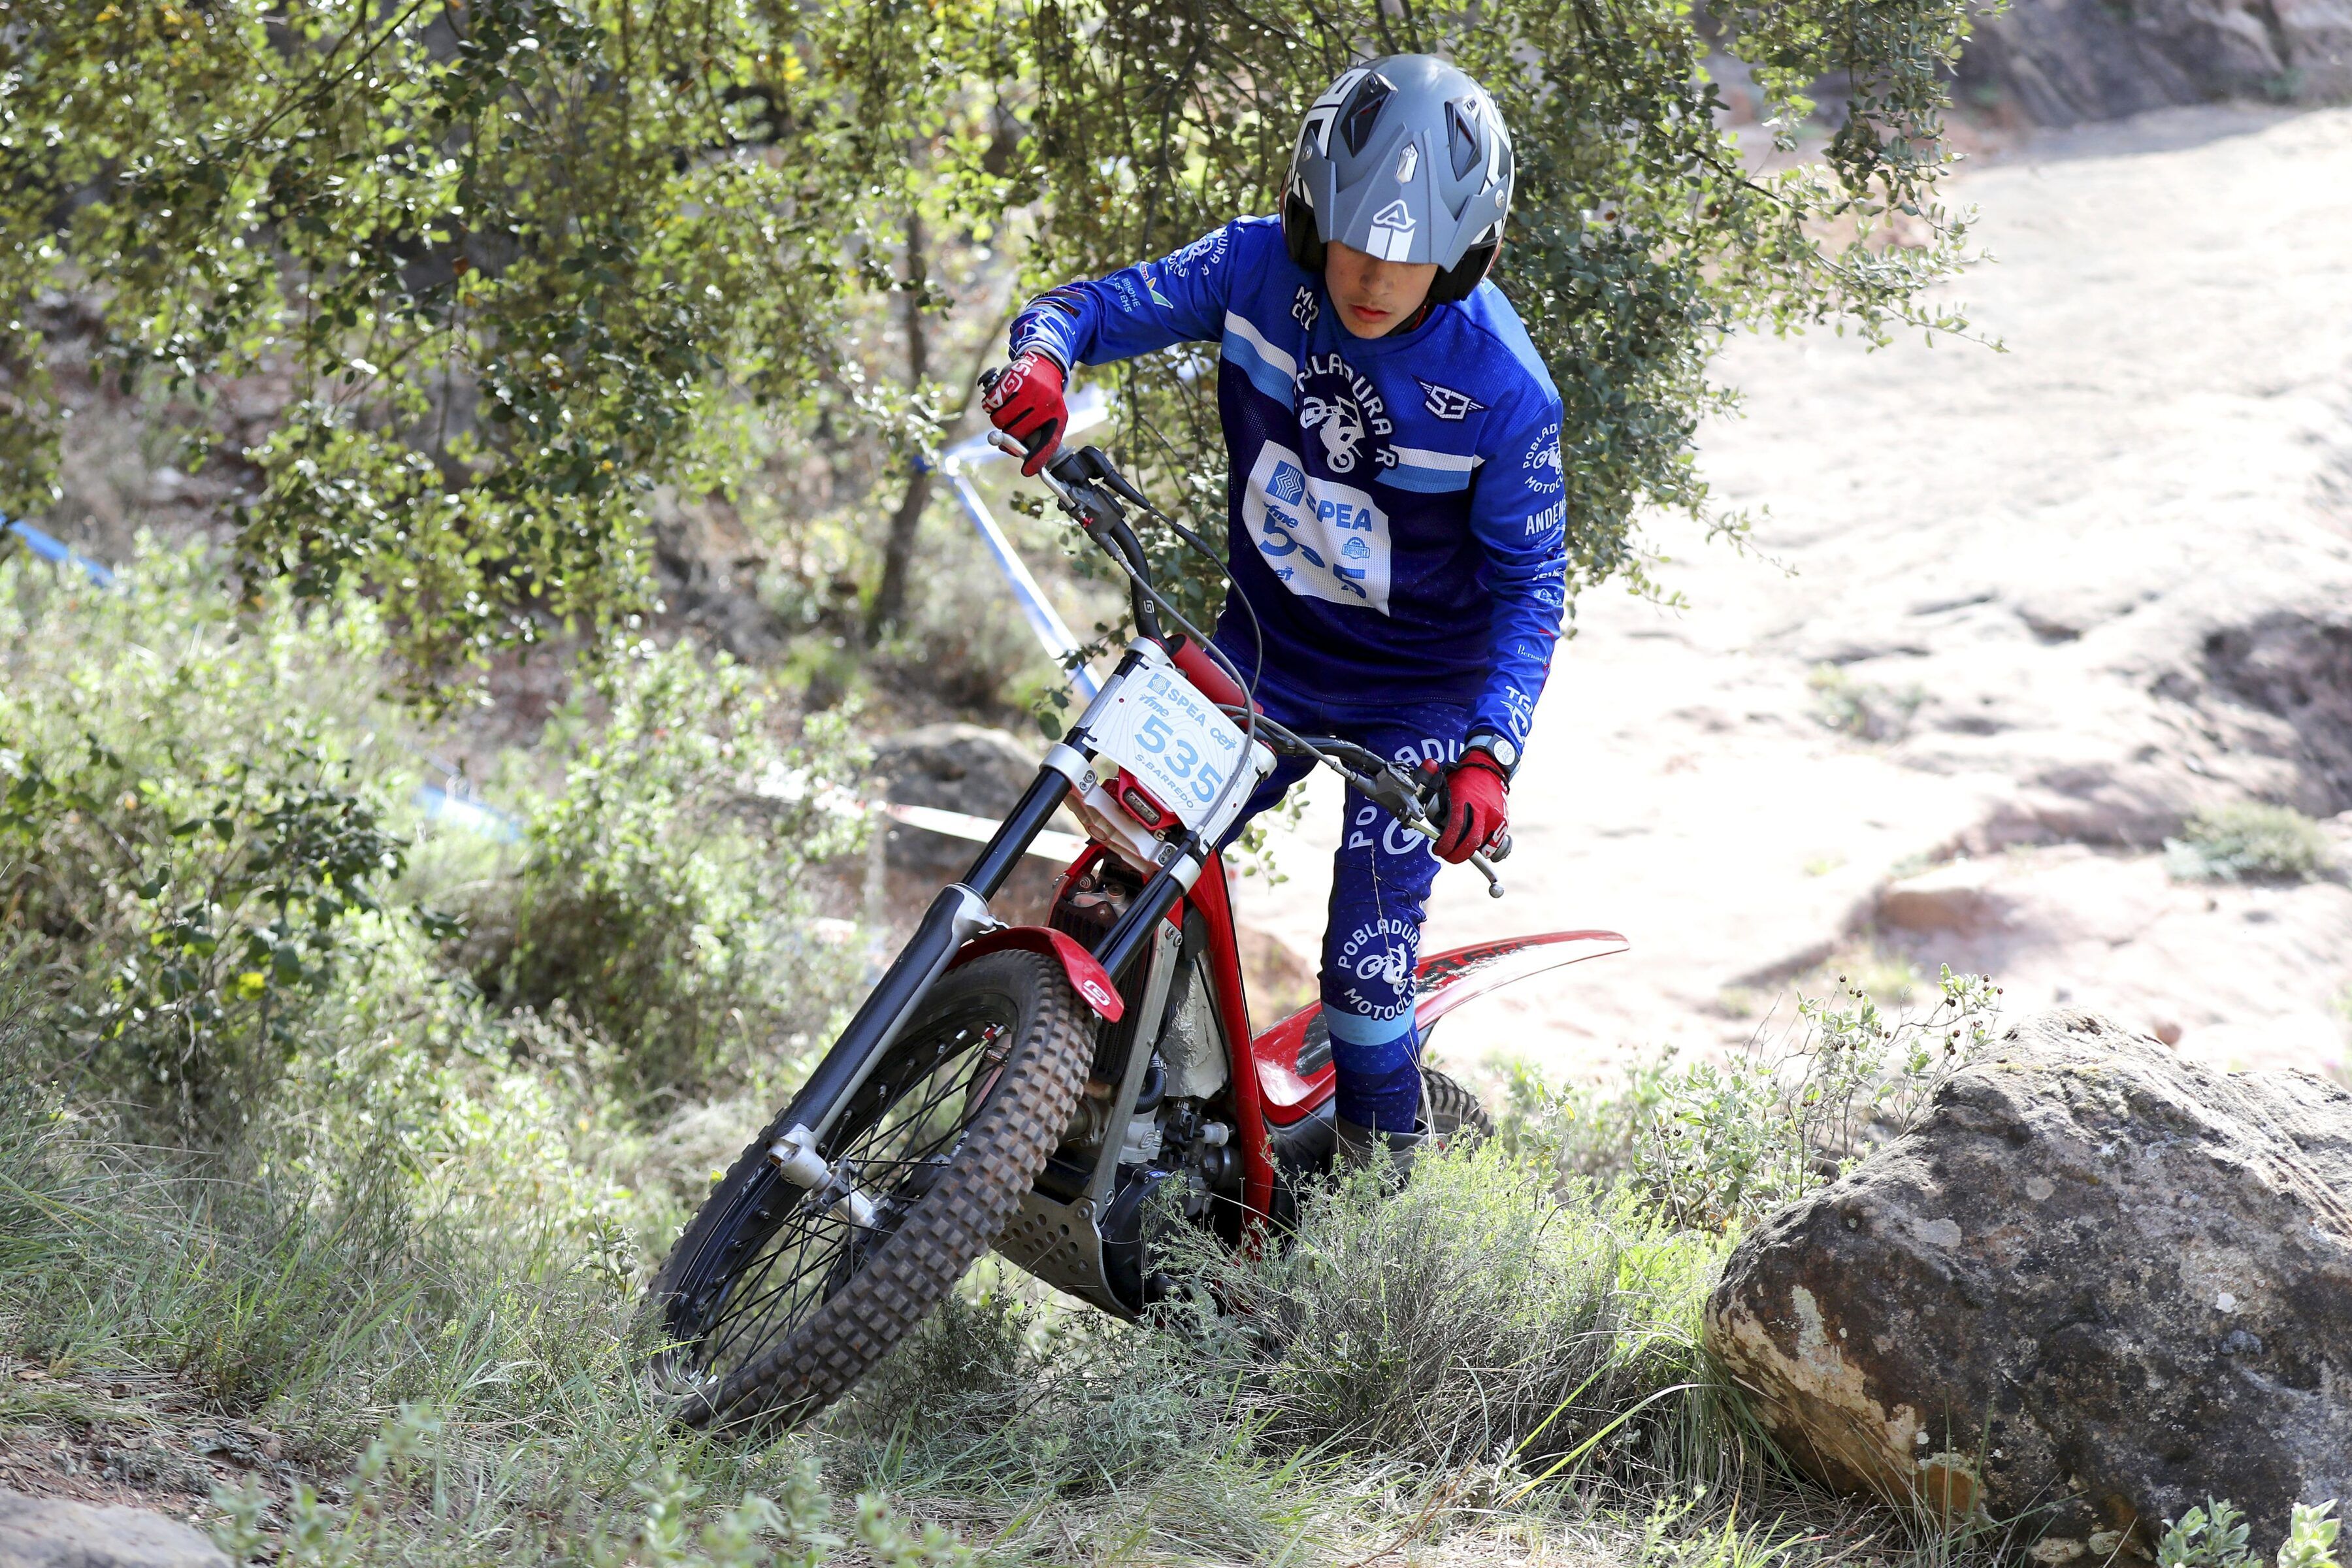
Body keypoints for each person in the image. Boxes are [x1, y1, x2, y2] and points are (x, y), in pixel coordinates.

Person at [982, 55, 1567, 1167]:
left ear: (1468, 254)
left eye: (1411, 256)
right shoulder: (1254, 267)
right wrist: (1042, 365)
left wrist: (1490, 755)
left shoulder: (1504, 391)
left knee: (1362, 970)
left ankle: (1377, 1230)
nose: (1375, 276)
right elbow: (1085, 309)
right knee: (1120, 867)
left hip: (1419, 703)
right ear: (1310, 220)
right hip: (1255, 650)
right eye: (1353, 240)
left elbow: (1534, 588)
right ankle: (1110, 1110)